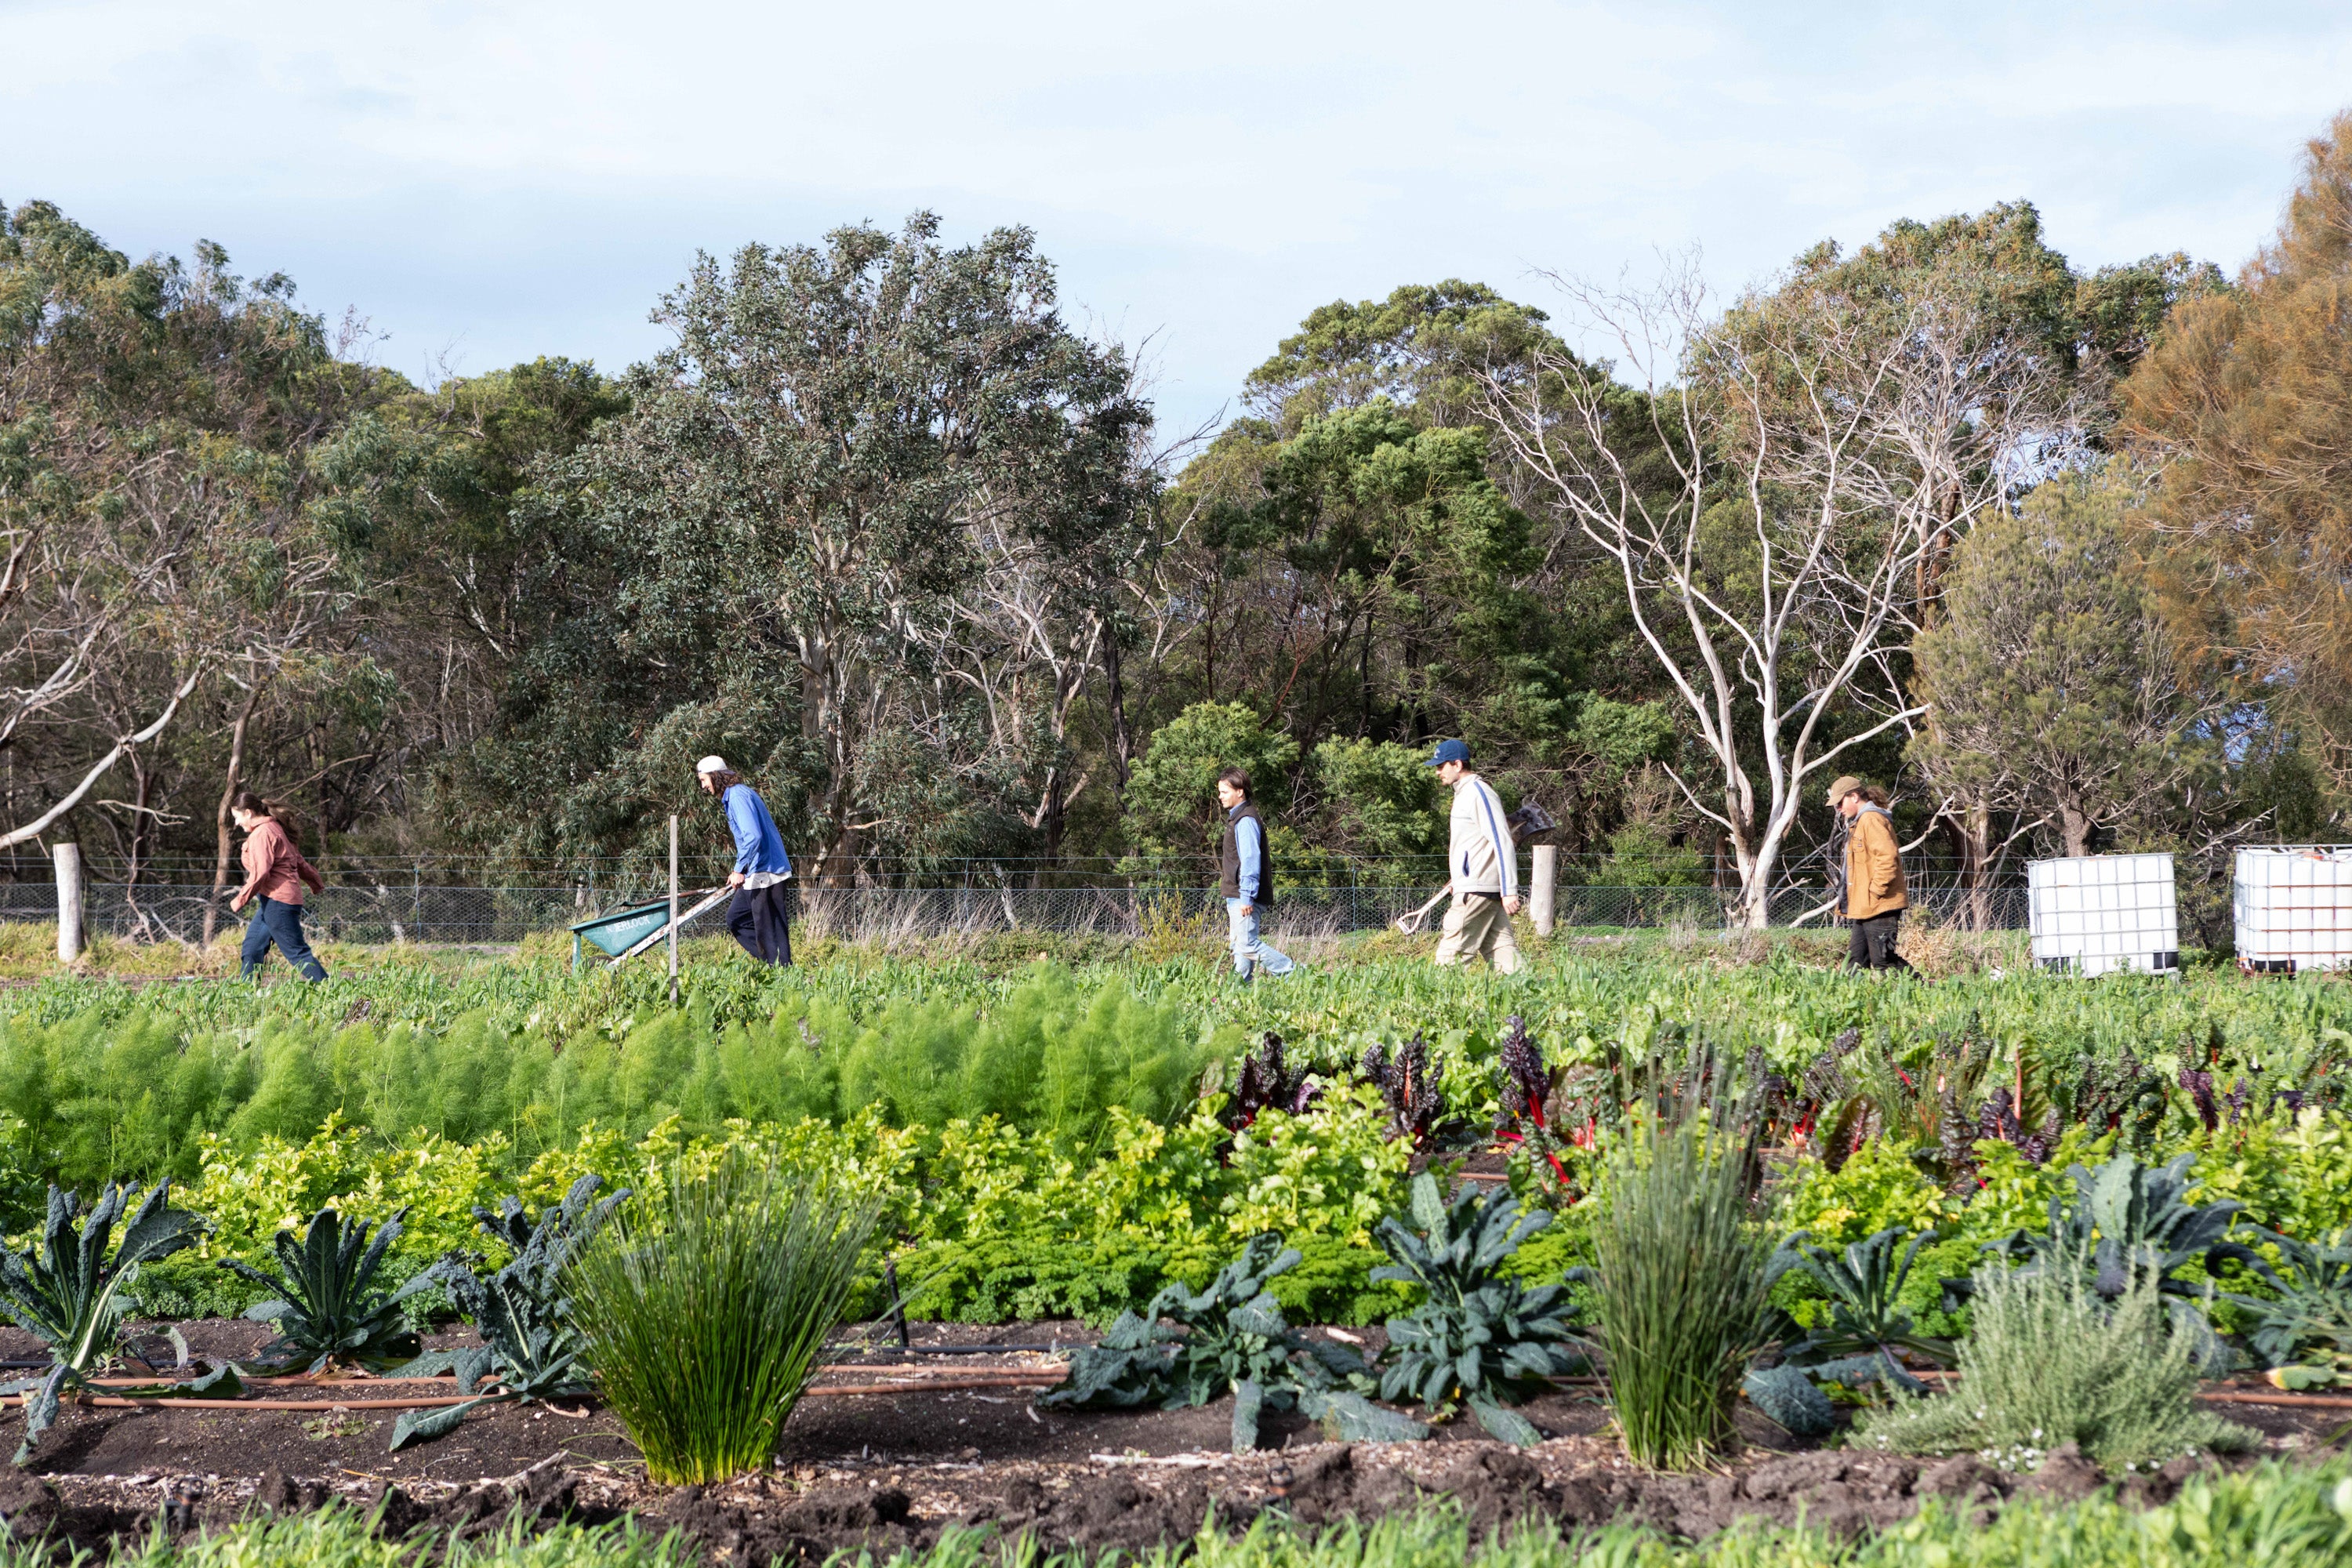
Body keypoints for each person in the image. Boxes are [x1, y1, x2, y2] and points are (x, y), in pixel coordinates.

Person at [1425, 739, 1523, 974]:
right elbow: (1473, 846)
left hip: (1478, 890)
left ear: (1457, 764)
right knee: (1503, 954)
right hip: (1476, 887)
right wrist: (1458, 881)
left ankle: (1434, 1005)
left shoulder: (1479, 793)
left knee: (1451, 957)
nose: (1438, 772)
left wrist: (1509, 890)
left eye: (1441, 766)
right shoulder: (1464, 794)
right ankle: (1525, 997)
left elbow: (1501, 840)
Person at [696, 755, 794, 965]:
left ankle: (779, 969)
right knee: (738, 918)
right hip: (757, 871)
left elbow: (753, 836)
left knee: (768, 926)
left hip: (765, 872)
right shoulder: (734, 796)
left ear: (715, 776)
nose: (703, 786)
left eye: (704, 780)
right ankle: (775, 964)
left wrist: (739, 869)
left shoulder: (738, 796)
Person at [227, 791, 328, 982]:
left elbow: (261, 871)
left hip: (279, 902)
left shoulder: (263, 833)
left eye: (237, 817)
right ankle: (246, 995)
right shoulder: (276, 828)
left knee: (297, 952)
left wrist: (240, 899)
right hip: (273, 901)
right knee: (252, 948)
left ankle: (333, 990)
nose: (236, 823)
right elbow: (298, 861)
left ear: (248, 813)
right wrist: (315, 881)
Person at [1217, 767, 1294, 982]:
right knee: (1239, 946)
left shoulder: (1246, 820)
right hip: (1238, 895)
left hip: (1244, 896)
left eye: (1224, 791)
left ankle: (1296, 974)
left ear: (1239, 791)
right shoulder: (1238, 818)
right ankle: (1241, 989)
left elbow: (1251, 860)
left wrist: (1247, 896)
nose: (1220, 796)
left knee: (1247, 944)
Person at [1829, 775, 1911, 972]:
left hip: (1880, 905)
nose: (1839, 808)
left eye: (1840, 802)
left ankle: (1924, 995)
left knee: (1884, 960)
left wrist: (1875, 891)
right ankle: (1847, 1001)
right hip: (1867, 906)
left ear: (1854, 797)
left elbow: (1887, 858)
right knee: (1854, 962)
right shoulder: (1860, 822)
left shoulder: (1871, 820)